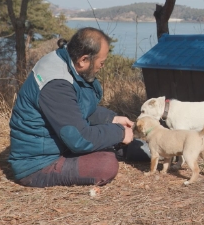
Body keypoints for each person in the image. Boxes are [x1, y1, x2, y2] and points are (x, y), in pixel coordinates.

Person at [8, 27, 146, 188]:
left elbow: (75, 108)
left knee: (108, 135)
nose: (102, 66)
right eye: (101, 62)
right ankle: (125, 148)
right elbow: (79, 139)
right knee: (105, 165)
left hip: (59, 142)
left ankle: (146, 149)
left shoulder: (63, 60)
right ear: (83, 60)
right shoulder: (56, 84)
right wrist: (119, 132)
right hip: (37, 164)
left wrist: (111, 119)